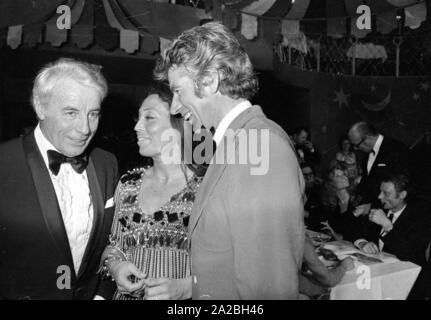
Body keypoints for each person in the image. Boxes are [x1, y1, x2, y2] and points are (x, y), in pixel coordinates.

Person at [154, 22, 305, 299]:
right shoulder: (237, 142)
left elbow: (267, 290)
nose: (174, 107)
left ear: (210, 80)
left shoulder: (260, 146)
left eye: (178, 91)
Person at [0, 58, 118, 299]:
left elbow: (109, 242)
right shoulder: (4, 163)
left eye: (93, 114)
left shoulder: (107, 164)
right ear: (40, 107)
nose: (85, 128)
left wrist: (101, 295)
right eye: (71, 112)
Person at [99, 84, 204, 300]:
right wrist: (117, 266)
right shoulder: (127, 184)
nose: (137, 126)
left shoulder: (206, 187)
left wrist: (187, 288)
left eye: (149, 118)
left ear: (180, 125)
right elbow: (113, 246)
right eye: (138, 118)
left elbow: (230, 266)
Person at [353, 174, 431, 267]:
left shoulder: (420, 218)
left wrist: (387, 225)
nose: (379, 196)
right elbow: (355, 231)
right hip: (380, 269)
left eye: (386, 193)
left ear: (402, 195)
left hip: (409, 273)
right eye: (380, 191)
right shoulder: (380, 209)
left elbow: (408, 253)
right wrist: (362, 243)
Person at [348, 121, 409, 217]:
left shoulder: (397, 149)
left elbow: (401, 187)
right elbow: (367, 181)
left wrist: (373, 206)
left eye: (356, 145)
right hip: (368, 212)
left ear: (367, 138)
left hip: (387, 213)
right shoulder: (366, 155)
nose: (355, 148)